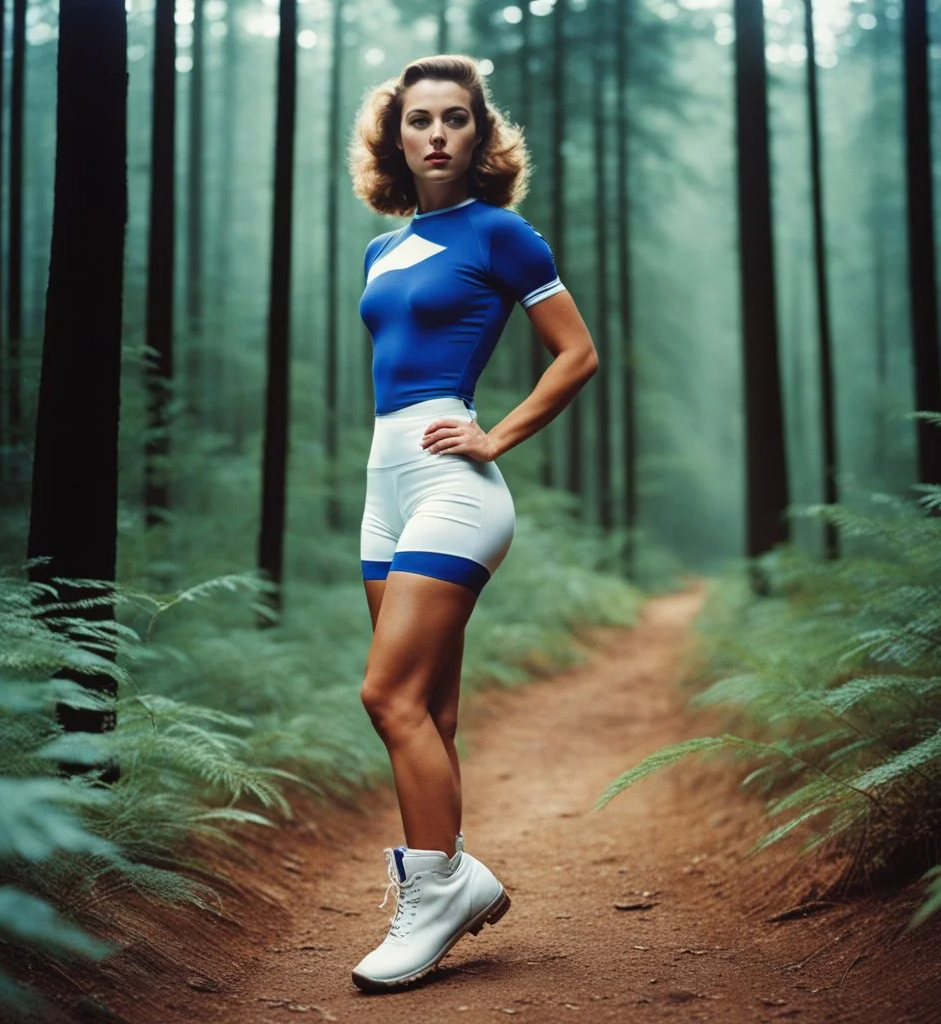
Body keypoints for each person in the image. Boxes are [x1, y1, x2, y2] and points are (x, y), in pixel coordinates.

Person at [346, 53, 598, 992]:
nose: (438, 133)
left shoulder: (503, 235)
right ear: (396, 136)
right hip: (386, 483)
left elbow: (576, 355)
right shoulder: (381, 250)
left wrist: (496, 437)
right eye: (420, 119)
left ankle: (437, 890)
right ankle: (456, 873)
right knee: (429, 712)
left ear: (481, 135)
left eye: (456, 118)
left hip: (456, 483)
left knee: (388, 697)